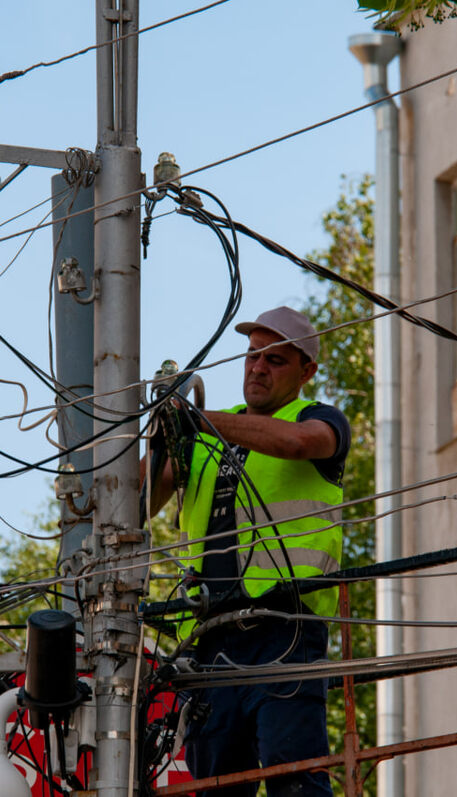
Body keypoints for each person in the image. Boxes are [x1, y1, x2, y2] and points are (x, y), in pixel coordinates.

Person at [147, 306, 349, 797]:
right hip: (209, 641)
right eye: (252, 355)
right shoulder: (200, 437)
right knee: (215, 785)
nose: (257, 367)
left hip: (283, 630)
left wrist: (198, 421)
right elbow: (138, 502)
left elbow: (301, 444)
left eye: (275, 360)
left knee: (293, 779)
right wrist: (162, 436)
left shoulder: (317, 418)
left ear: (306, 372)